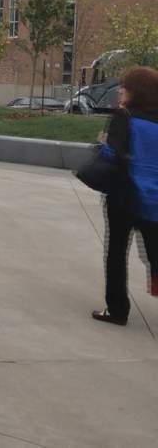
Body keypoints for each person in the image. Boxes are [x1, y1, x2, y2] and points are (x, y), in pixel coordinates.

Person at [92, 66, 158, 326]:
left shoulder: (124, 116)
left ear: (135, 92)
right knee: (155, 253)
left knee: (117, 251)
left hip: (124, 195)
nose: (120, 91)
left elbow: (113, 155)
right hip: (154, 200)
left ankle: (117, 310)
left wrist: (102, 144)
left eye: (124, 87)